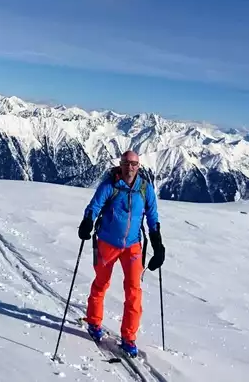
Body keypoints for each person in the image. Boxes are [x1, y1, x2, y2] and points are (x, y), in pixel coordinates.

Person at [78, 150, 165, 357]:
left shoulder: (145, 189)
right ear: (121, 164)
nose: (130, 167)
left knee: (134, 291)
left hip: (133, 246)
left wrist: (158, 244)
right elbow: (95, 205)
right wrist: (87, 221)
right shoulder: (110, 184)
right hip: (107, 242)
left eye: (134, 164)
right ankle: (94, 322)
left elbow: (152, 217)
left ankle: (129, 337)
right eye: (126, 163)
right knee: (101, 283)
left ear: (139, 166)